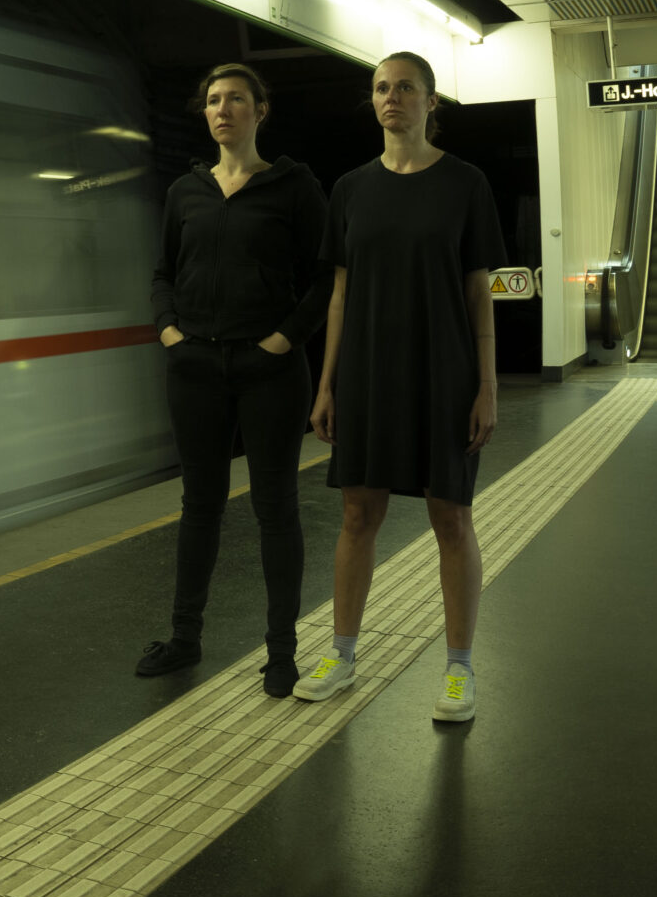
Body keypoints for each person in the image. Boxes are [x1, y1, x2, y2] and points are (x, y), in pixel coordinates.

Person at [295, 51, 507, 723]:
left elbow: (480, 290)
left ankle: (459, 670)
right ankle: (343, 653)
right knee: (359, 514)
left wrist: (487, 384)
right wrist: (326, 382)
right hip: (366, 373)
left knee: (452, 517)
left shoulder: (465, 183)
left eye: (406, 88)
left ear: (431, 102)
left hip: (445, 371)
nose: (392, 98)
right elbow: (339, 293)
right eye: (382, 88)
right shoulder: (351, 188)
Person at [138, 63, 331, 697]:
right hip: (195, 368)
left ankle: (282, 653)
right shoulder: (185, 193)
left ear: (260, 110)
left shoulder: (293, 188)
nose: (223, 110)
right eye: (214, 101)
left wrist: (282, 340)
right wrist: (169, 329)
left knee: (276, 510)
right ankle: (185, 639)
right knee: (201, 507)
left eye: (236, 100)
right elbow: (164, 271)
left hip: (269, 370)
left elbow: (325, 278)